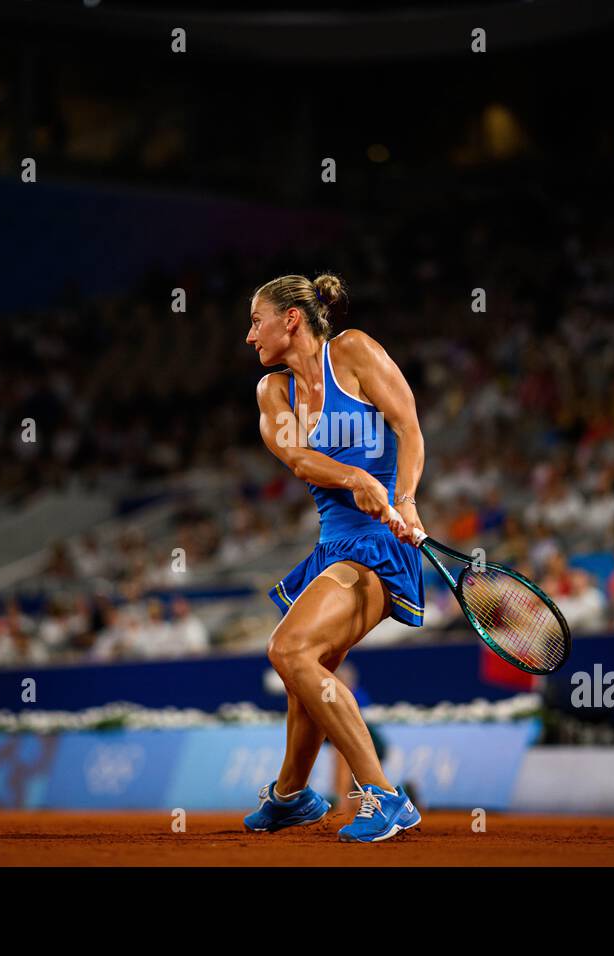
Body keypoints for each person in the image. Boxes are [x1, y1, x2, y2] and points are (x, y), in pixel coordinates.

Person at [241, 273, 424, 843]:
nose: (250, 336)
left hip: (381, 545)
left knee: (289, 649)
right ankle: (292, 796)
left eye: (257, 321)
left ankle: (385, 795)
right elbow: (298, 459)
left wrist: (405, 500)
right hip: (332, 548)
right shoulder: (273, 392)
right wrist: (355, 477)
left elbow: (409, 428)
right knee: (307, 673)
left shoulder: (354, 351)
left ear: (291, 319)